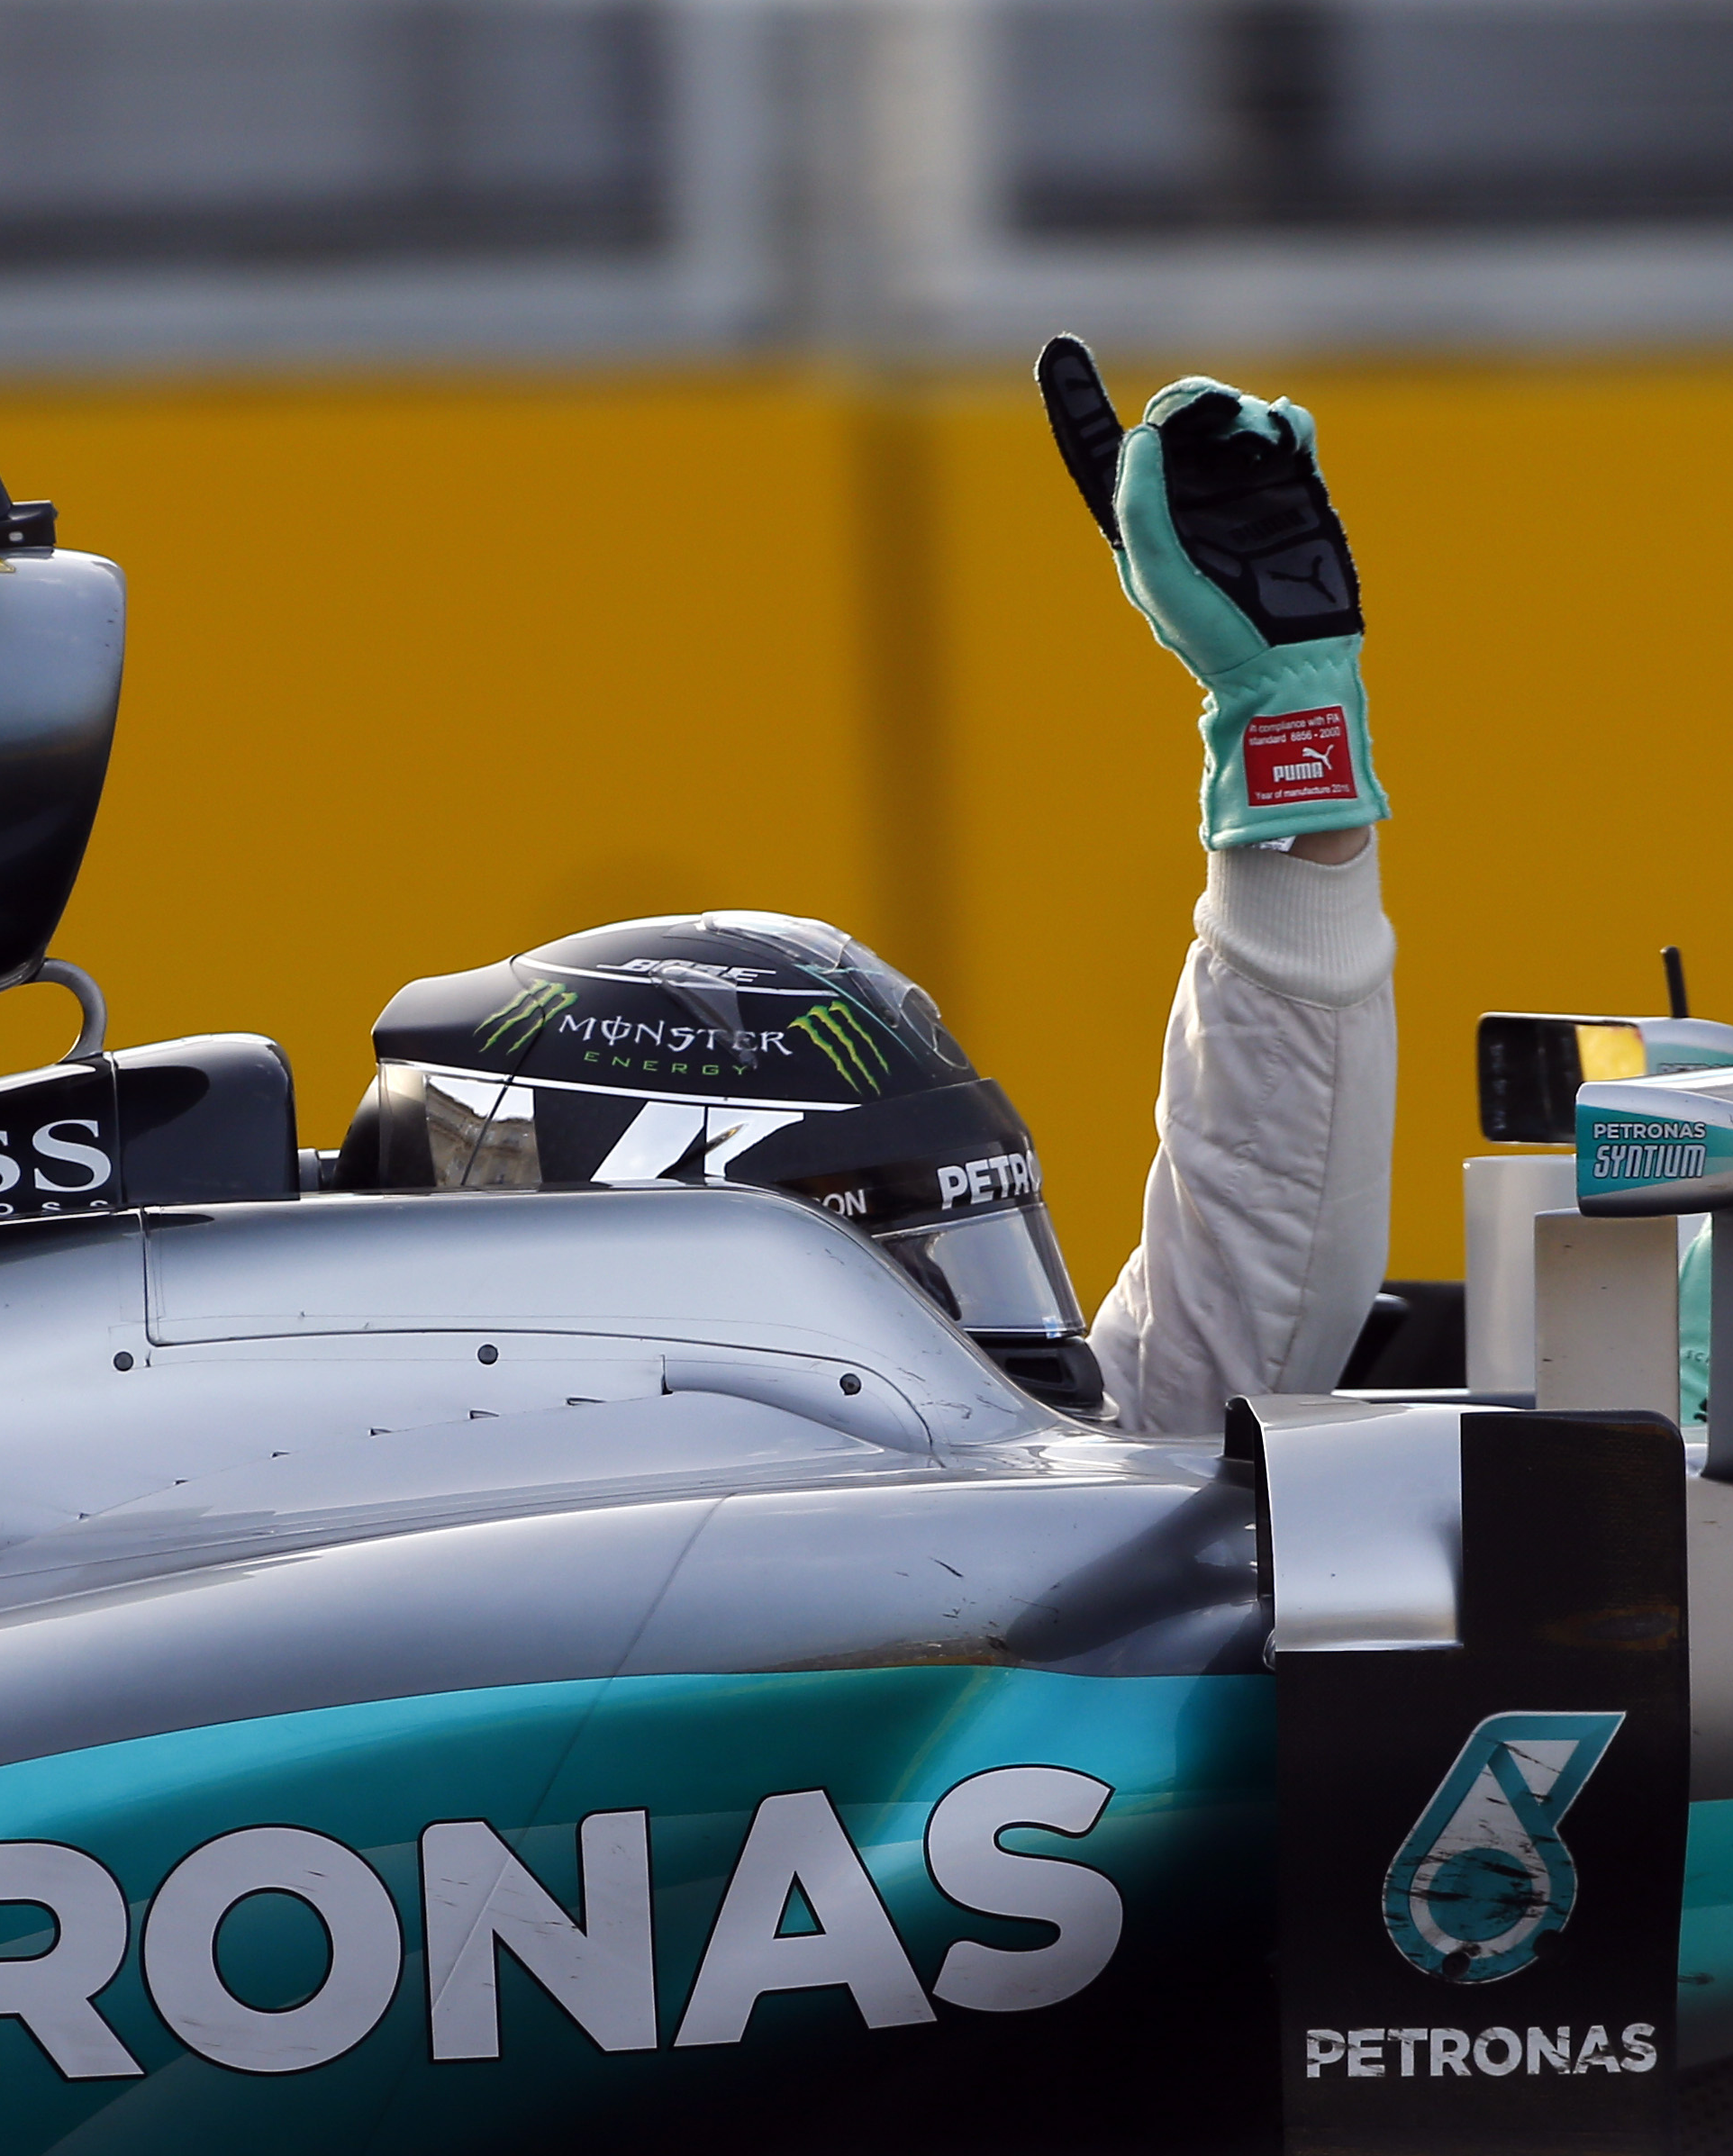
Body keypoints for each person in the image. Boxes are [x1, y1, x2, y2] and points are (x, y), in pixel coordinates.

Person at [335, 340, 1395, 1437]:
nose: (999, 1362)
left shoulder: (1007, 1469)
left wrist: (1289, 730)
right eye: (915, 1287)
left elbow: (1250, 1304)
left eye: (974, 1275)